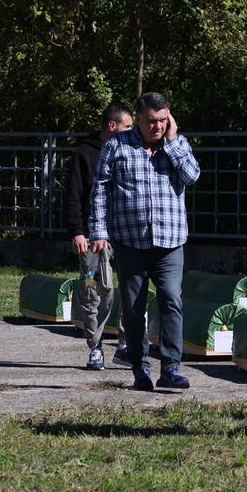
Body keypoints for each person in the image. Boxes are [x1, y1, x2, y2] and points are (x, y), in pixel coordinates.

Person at [88, 92, 201, 391]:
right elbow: (100, 190)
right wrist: (98, 231)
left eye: (163, 120)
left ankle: (171, 367)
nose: (158, 127)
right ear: (138, 118)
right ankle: (140, 368)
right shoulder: (116, 146)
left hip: (170, 241)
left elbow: (191, 177)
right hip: (130, 241)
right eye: (152, 121)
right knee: (134, 308)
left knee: (171, 300)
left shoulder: (178, 144)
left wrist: (174, 143)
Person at [65, 102, 134, 369]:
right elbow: (72, 195)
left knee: (131, 288)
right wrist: (77, 232)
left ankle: (125, 345)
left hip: (125, 235)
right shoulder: (85, 153)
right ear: (112, 125)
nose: (132, 131)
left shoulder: (129, 151)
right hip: (93, 239)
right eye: (128, 126)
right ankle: (95, 346)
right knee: (95, 291)